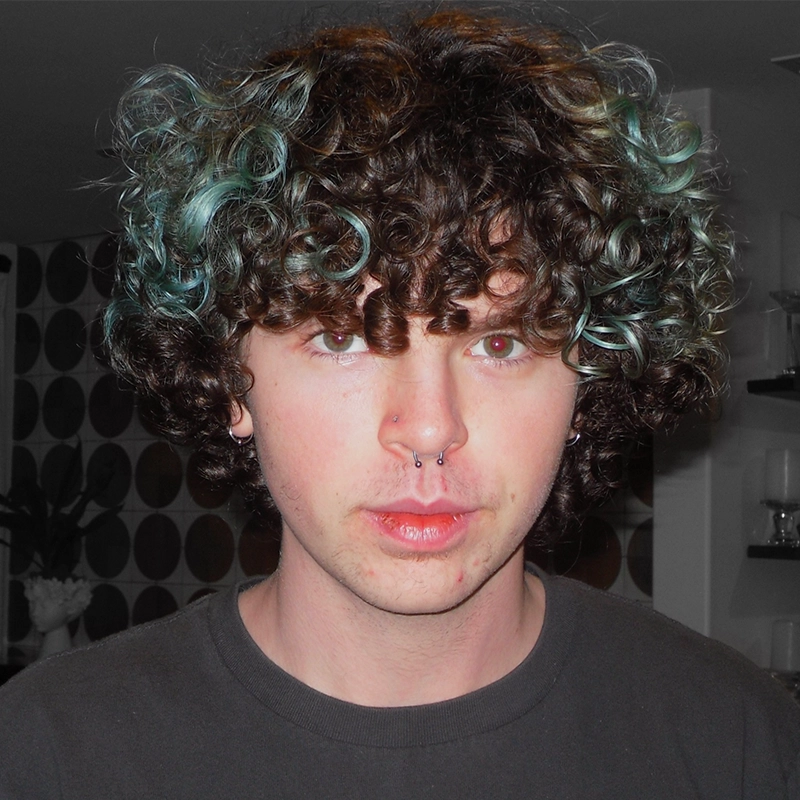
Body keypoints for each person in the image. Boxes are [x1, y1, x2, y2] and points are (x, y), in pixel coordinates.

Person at [1, 6, 798, 798]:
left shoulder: (736, 740)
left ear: (589, 382)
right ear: (227, 380)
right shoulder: (48, 750)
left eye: (499, 344)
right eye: (344, 338)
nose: (428, 429)